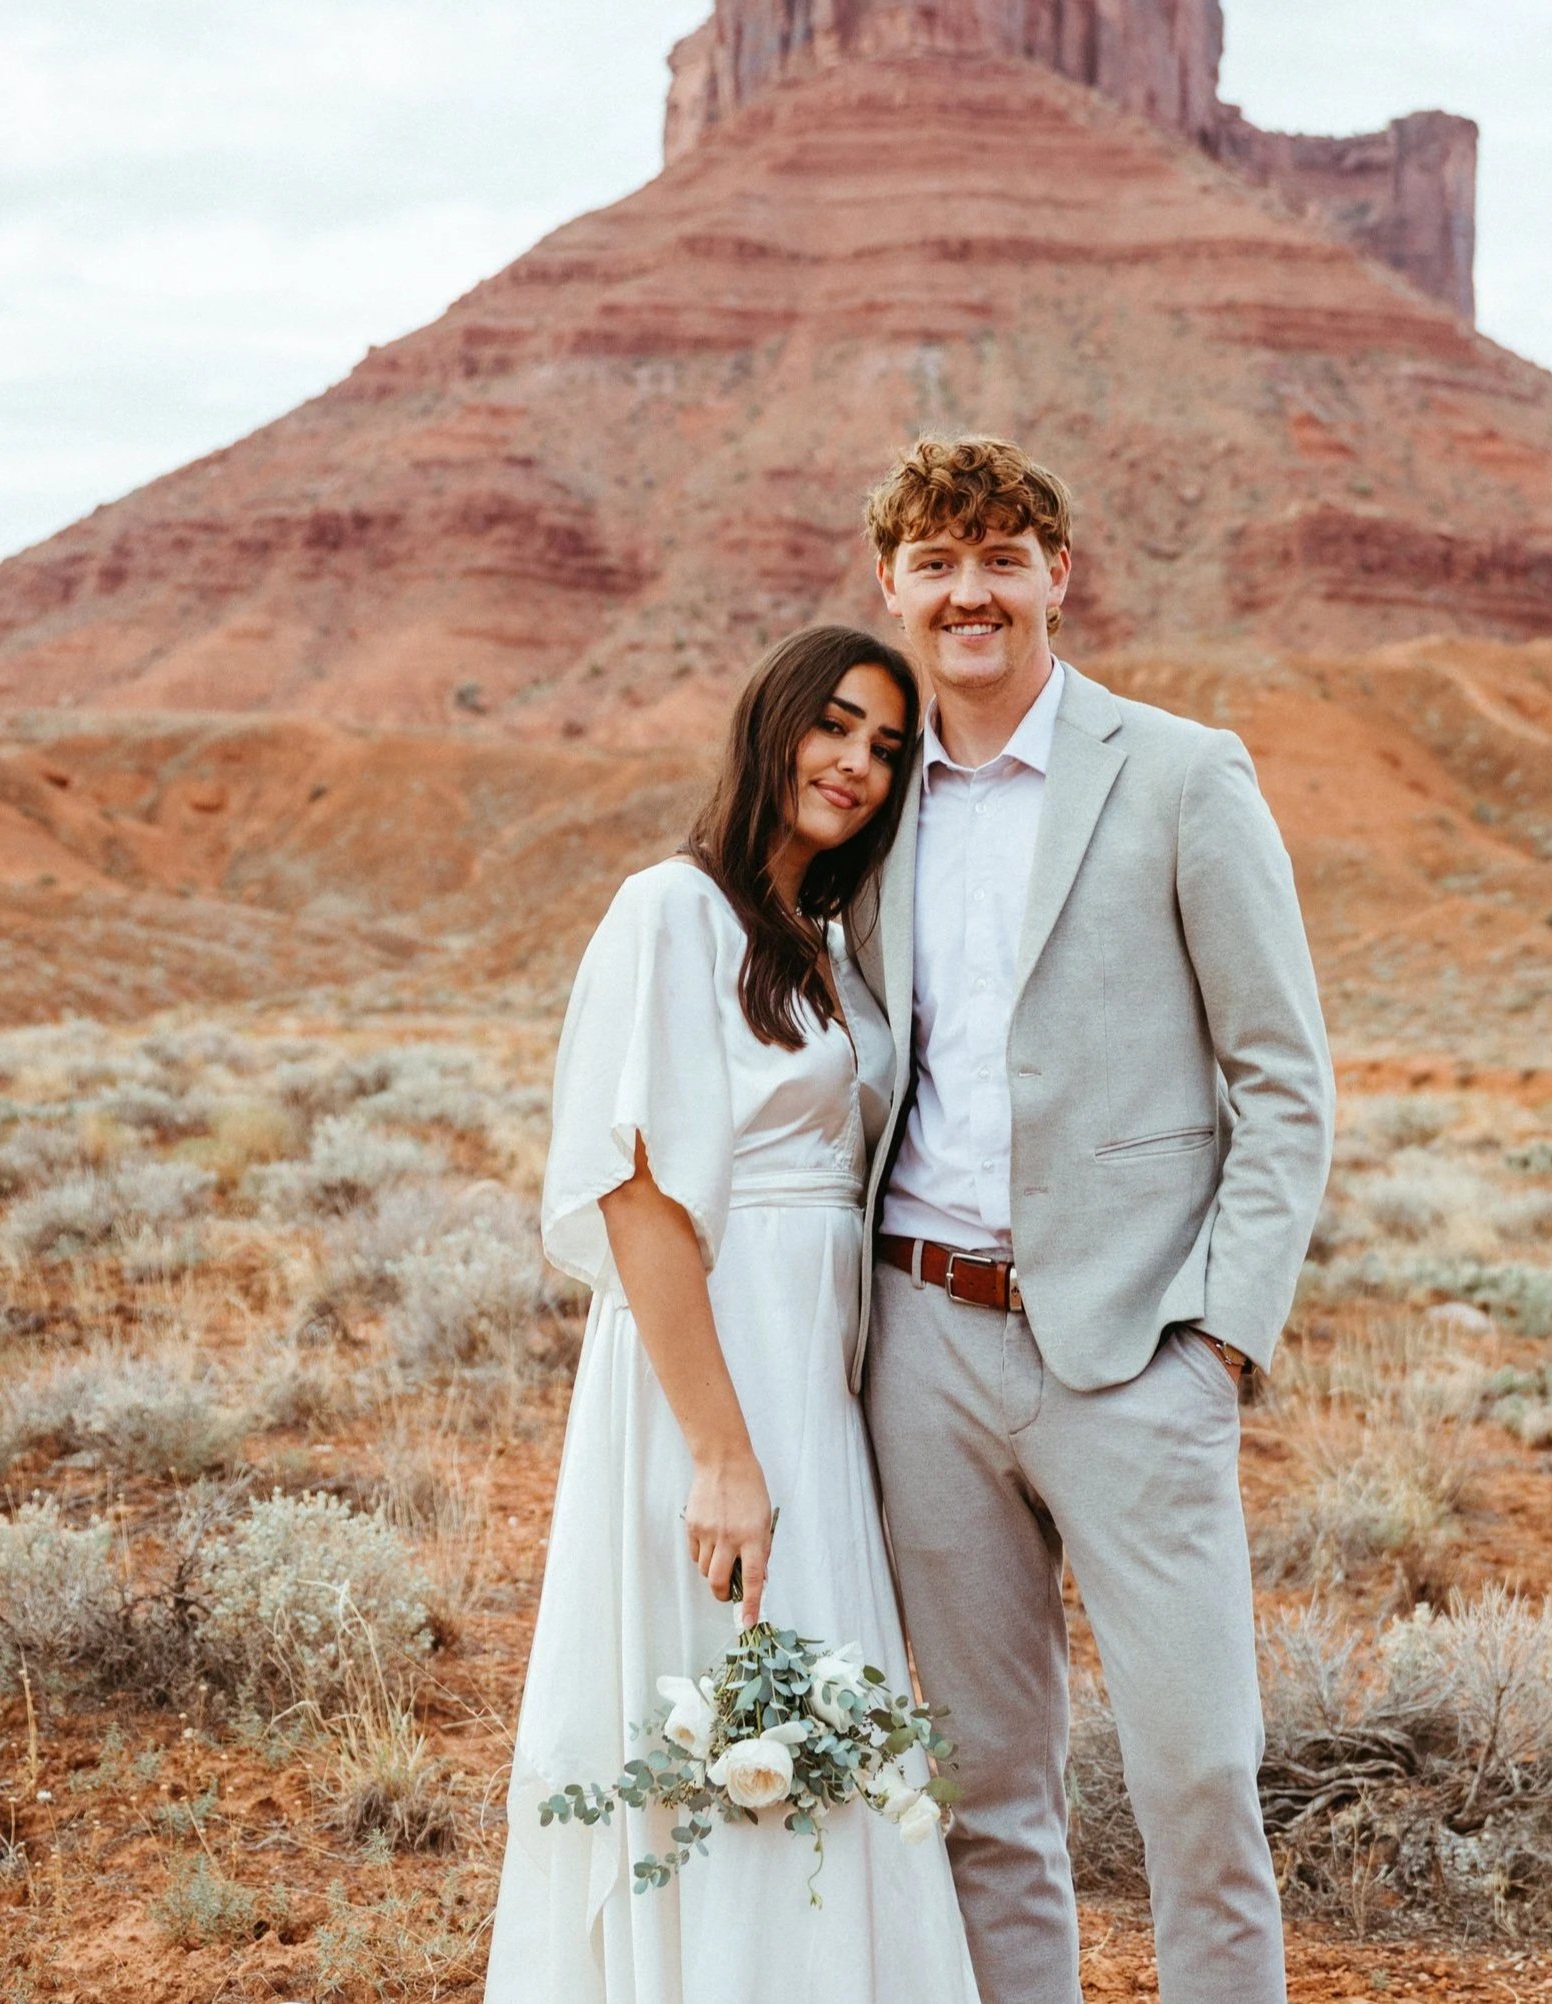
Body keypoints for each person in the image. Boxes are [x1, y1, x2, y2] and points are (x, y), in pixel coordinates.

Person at [851, 436, 1334, 2004]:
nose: (970, 592)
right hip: (920, 1346)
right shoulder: (866, 801)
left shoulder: (1184, 772)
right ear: (892, 590)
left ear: (1061, 574)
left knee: (1200, 1790)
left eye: (1002, 558)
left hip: (1138, 1356)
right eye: (937, 564)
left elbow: (1285, 1081)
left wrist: (1221, 1342)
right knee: (990, 1796)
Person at [486, 624, 981, 2004]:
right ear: (770, 726)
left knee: (810, 1702)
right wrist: (719, 1451)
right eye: (834, 726)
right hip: (717, 1370)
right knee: (721, 1686)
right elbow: (639, 1194)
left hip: (813, 1378)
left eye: (887, 747)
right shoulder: (673, 909)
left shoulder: (820, 934)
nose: (857, 765)